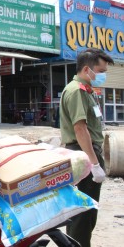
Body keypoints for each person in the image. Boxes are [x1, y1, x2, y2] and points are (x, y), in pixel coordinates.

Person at [59, 48, 114, 247]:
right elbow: (80, 128)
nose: (103, 75)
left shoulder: (86, 90)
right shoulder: (76, 91)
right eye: (100, 71)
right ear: (86, 69)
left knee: (87, 211)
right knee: (82, 212)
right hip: (82, 154)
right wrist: (94, 163)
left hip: (86, 152)